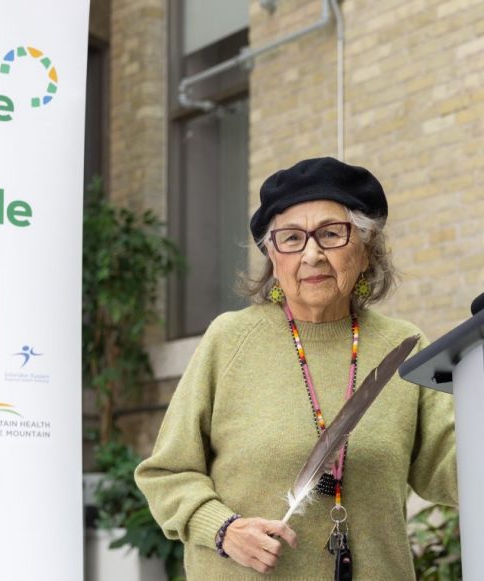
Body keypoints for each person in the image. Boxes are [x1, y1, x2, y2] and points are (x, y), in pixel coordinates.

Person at [135, 157, 457, 579]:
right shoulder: (230, 340)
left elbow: (452, 471)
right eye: (290, 238)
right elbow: (167, 472)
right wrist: (222, 529)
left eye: (330, 234)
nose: (312, 254)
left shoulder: (402, 345)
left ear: (365, 248)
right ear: (272, 255)